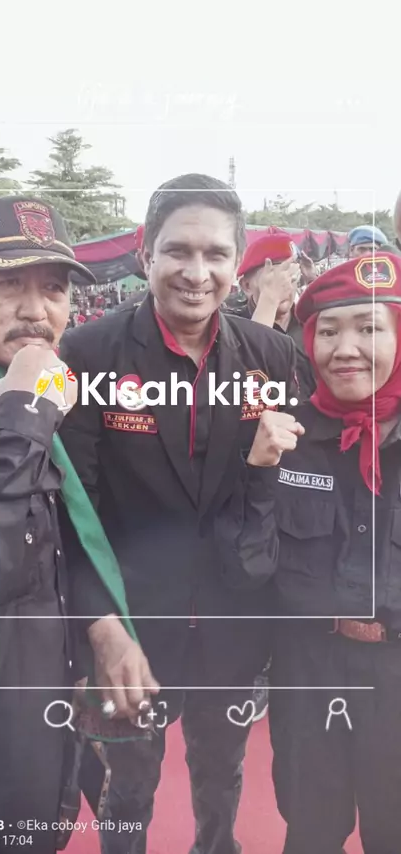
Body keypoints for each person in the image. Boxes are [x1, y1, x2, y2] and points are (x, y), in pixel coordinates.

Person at [59, 173, 303, 854]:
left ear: (237, 263)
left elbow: (285, 485)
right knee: (129, 786)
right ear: (146, 255)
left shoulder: (273, 357)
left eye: (216, 254)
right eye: (178, 251)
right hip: (132, 627)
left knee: (221, 774)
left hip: (233, 620)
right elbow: (74, 512)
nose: (197, 273)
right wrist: (100, 628)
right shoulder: (88, 353)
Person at [0, 195, 146, 853]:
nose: (35, 311)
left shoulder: (26, 396)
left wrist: (101, 627)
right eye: (8, 284)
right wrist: (22, 415)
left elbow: (50, 543)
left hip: (32, 734)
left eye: (53, 288)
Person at [266, 252, 401, 854]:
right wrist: (256, 471)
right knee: (311, 832)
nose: (346, 349)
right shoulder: (282, 438)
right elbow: (246, 566)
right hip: (309, 670)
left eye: (370, 328)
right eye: (328, 331)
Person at [236, 233, 316, 402]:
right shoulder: (230, 329)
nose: (285, 287)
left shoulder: (311, 325)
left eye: (291, 277)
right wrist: (269, 302)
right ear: (246, 286)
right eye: (273, 279)